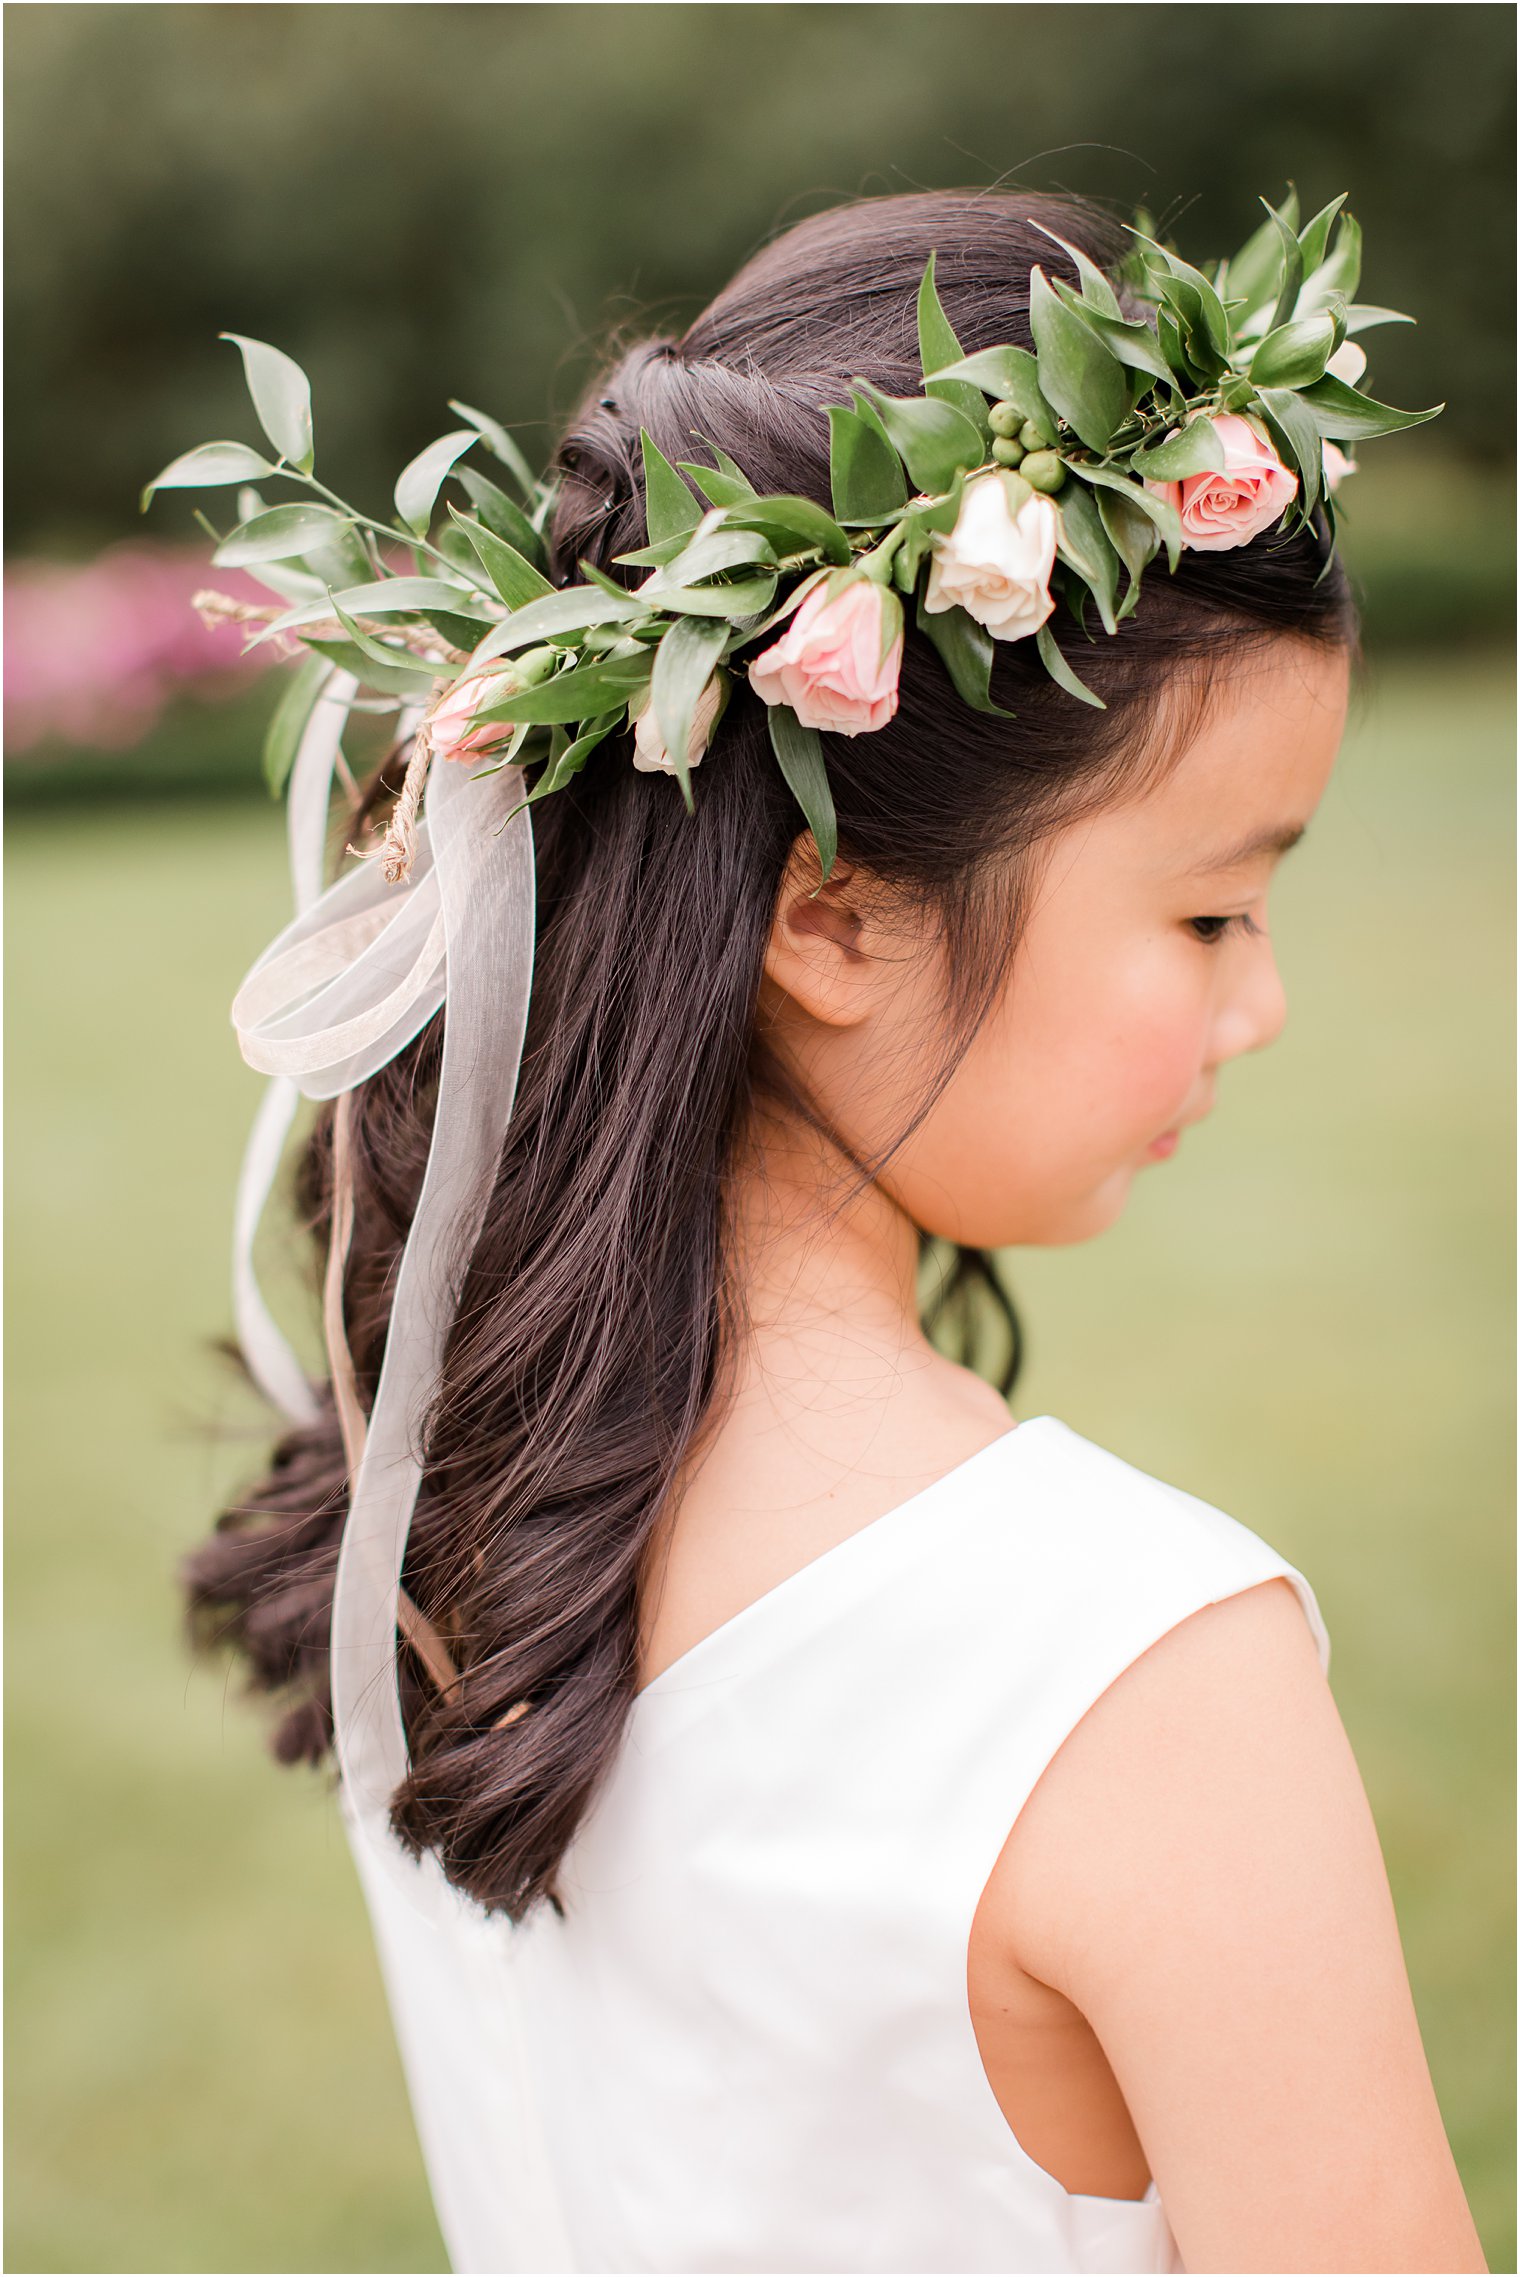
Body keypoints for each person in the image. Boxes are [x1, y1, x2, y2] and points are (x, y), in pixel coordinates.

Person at [180, 188, 1486, 2272]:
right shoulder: (1132, 1677)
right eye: (1211, 906)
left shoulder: (441, 1519)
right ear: (830, 910)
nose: (1261, 1001)